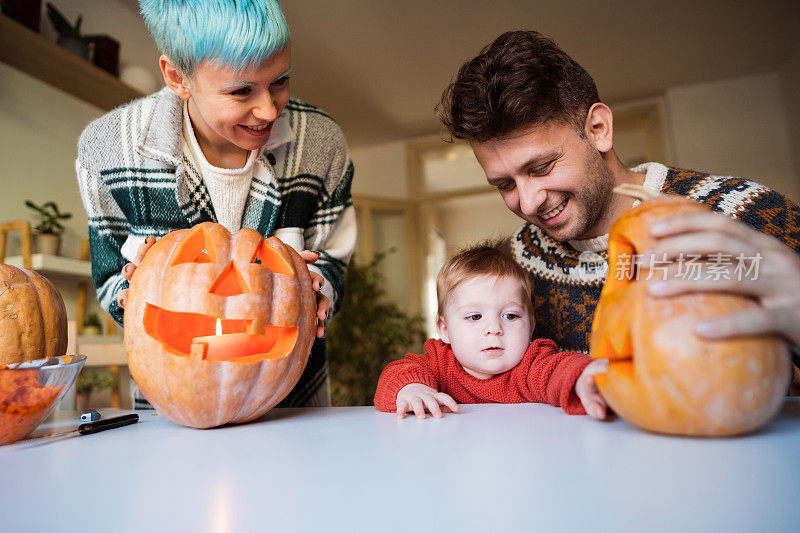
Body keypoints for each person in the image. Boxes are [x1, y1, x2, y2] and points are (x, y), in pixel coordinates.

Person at [435, 31, 800, 379]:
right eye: (504, 184)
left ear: (598, 129)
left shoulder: (740, 213)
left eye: (542, 167)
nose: (528, 203)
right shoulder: (510, 269)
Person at [76, 0, 356, 408]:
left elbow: (334, 256)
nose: (267, 109)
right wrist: (131, 291)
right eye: (241, 91)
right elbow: (108, 274)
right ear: (177, 76)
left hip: (292, 400)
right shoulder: (106, 150)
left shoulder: (322, 143)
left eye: (279, 81)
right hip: (173, 399)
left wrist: (320, 286)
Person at [374, 243, 608, 419]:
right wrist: (413, 389)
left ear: (531, 325)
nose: (494, 329)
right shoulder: (439, 365)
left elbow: (557, 369)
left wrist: (584, 376)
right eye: (474, 317)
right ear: (444, 329)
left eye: (511, 316)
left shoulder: (530, 366)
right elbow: (398, 372)